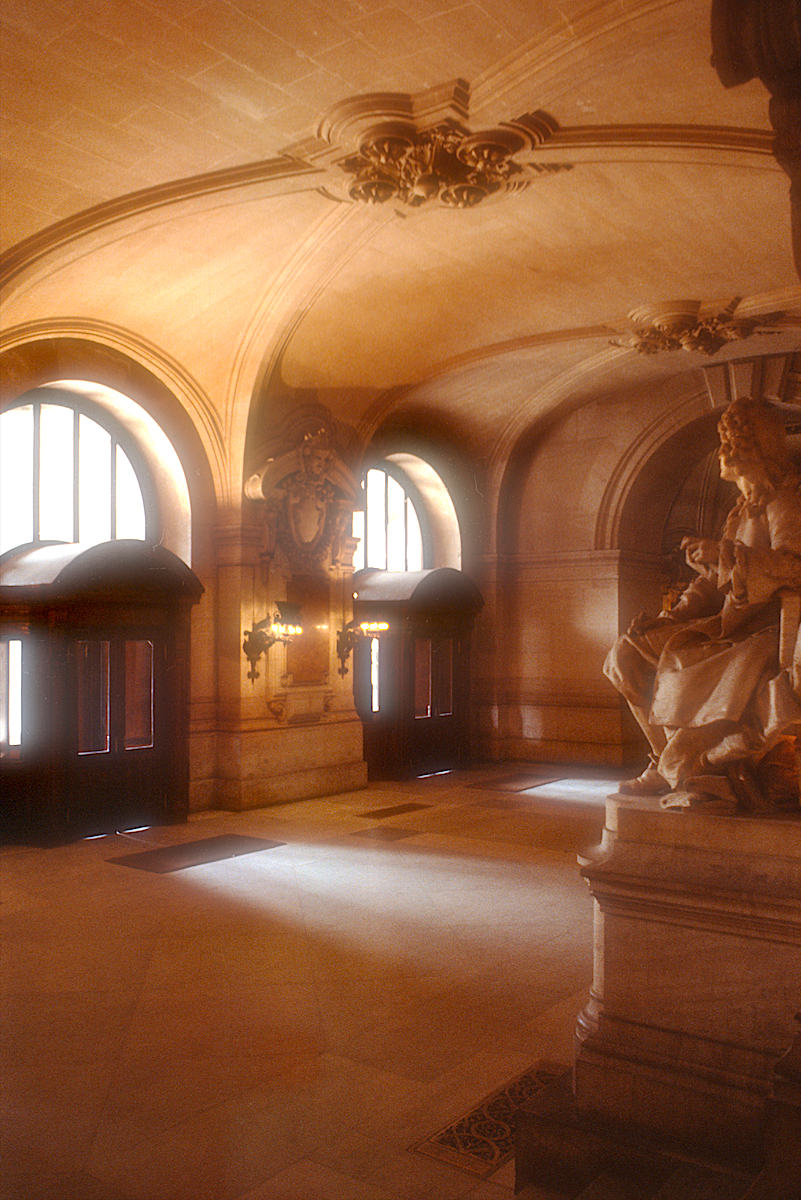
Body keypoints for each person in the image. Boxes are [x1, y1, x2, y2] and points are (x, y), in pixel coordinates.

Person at [604, 397, 801, 810]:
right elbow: (711, 583)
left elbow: (793, 565)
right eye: (724, 438)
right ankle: (665, 762)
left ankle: (697, 770)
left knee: (695, 668)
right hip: (727, 625)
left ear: (755, 447)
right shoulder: (739, 511)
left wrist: (723, 555)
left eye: (733, 439)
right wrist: (669, 617)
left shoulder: (783, 498)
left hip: (765, 630)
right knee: (625, 655)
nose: (724, 449)